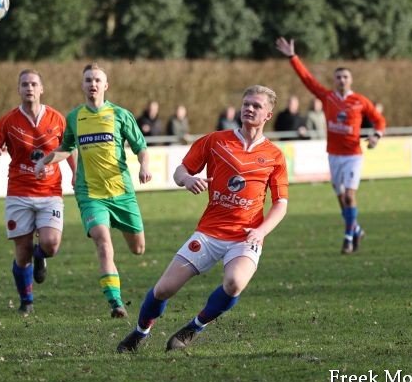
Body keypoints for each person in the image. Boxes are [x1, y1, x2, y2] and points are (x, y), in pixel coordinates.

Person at [117, 85, 288, 353]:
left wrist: (261, 231)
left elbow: (281, 204)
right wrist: (187, 179)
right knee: (163, 289)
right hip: (209, 232)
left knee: (234, 284)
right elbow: (180, 170)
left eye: (256, 105)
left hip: (245, 236)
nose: (249, 109)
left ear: (268, 114)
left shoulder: (274, 156)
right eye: (246, 103)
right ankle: (140, 332)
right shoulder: (215, 141)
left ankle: (193, 328)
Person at [34, 63, 152, 318]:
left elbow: (141, 147)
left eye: (97, 80)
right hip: (90, 195)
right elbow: (66, 148)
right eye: (88, 80)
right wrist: (45, 161)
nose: (93, 84)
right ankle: (116, 302)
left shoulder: (120, 115)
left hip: (121, 192)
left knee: (138, 249)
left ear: (105, 85)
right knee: (103, 243)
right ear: (83, 85)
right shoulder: (74, 117)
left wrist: (144, 166)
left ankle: (118, 228)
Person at [276, 37, 386, 254]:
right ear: (334, 80)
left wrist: (376, 136)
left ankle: (348, 238)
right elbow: (307, 79)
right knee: (340, 198)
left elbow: (379, 120)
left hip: (353, 155)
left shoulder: (360, 101)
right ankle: (356, 229)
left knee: (350, 196)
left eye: (345, 77)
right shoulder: (328, 98)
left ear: (351, 80)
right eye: (338, 77)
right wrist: (293, 57)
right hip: (334, 154)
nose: (342, 80)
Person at [0, 70, 75, 315]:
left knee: (51, 244)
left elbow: (69, 147)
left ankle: (40, 256)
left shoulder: (57, 118)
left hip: (50, 191)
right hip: (19, 192)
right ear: (19, 90)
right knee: (22, 253)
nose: (29, 88)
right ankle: (27, 301)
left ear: (41, 89)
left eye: (33, 84)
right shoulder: (9, 121)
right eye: (24, 84)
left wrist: (76, 173)